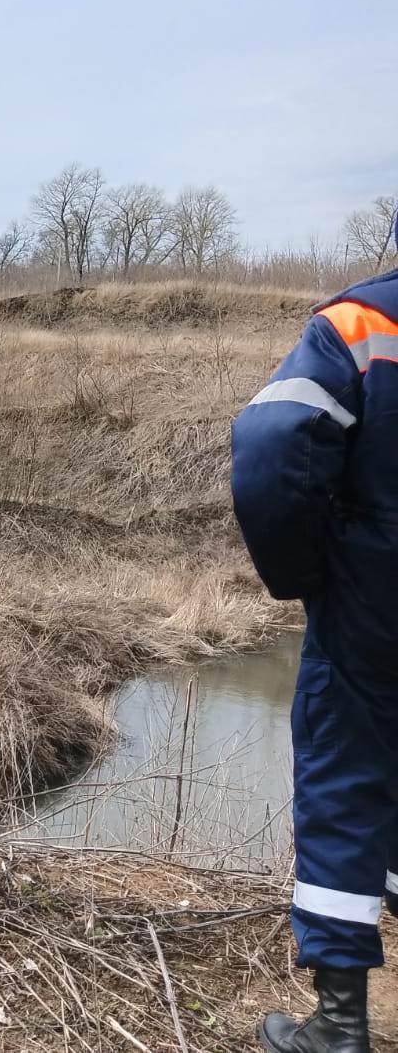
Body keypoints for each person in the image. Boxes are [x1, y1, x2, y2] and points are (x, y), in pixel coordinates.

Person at [233, 247, 398, 1052]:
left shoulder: (362, 323)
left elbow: (272, 449)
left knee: (345, 778)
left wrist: (305, 571)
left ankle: (339, 1028)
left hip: (378, 603)